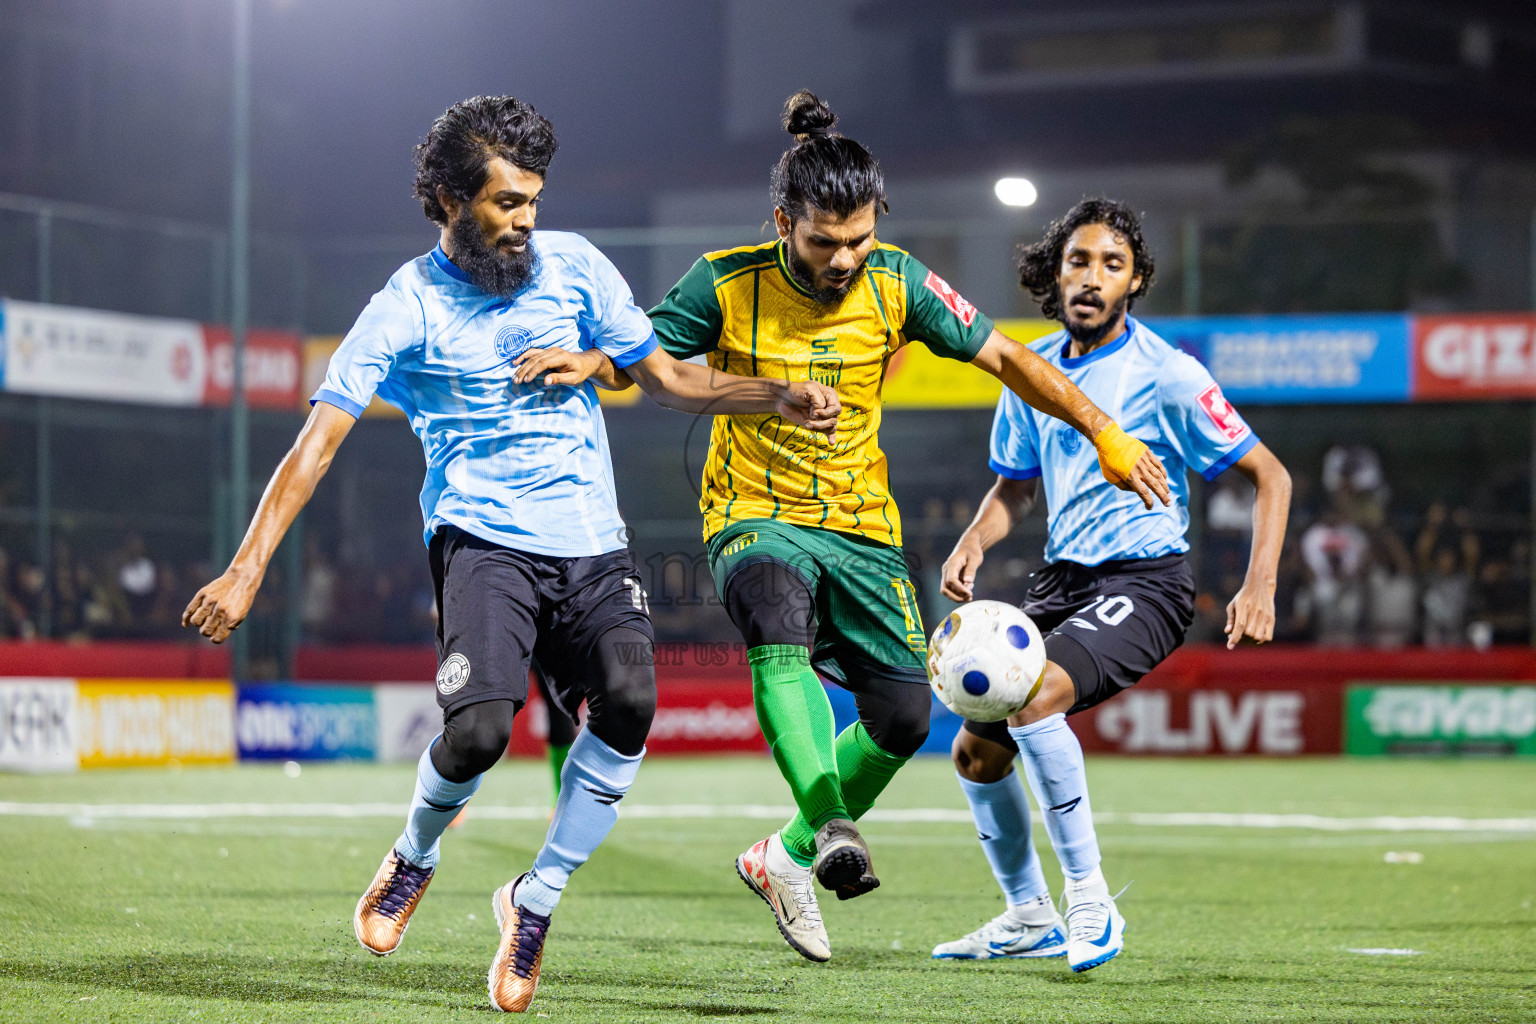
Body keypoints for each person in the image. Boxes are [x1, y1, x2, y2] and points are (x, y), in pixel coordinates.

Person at [182, 95, 838, 1013]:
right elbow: (317, 442)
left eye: (534, 199)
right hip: (481, 543)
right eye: (506, 204)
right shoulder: (404, 306)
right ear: (451, 197)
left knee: (633, 702)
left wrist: (776, 395)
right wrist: (248, 565)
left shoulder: (575, 268)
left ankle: (535, 900)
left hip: (592, 547)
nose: (527, 221)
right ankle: (412, 858)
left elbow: (669, 379)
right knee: (482, 732)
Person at [560, 92, 1168, 964]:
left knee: (906, 717)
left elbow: (1009, 358)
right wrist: (597, 360)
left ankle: (786, 855)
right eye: (823, 241)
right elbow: (646, 366)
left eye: (860, 237)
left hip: (862, 526)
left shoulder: (901, 281)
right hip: (753, 513)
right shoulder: (724, 282)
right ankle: (832, 819)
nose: (845, 258)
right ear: (782, 221)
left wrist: (1102, 430)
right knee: (776, 618)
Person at [932, 199, 1290, 972]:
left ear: (1134, 283)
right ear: (1054, 275)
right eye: (1079, 262)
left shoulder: (1167, 373)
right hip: (1063, 578)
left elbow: (1271, 475)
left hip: (1147, 580)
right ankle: (1029, 914)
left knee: (1033, 700)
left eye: (1112, 265)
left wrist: (1259, 584)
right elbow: (1015, 491)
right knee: (974, 750)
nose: (1093, 279)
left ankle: (1090, 898)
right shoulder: (1030, 371)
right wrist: (974, 537)